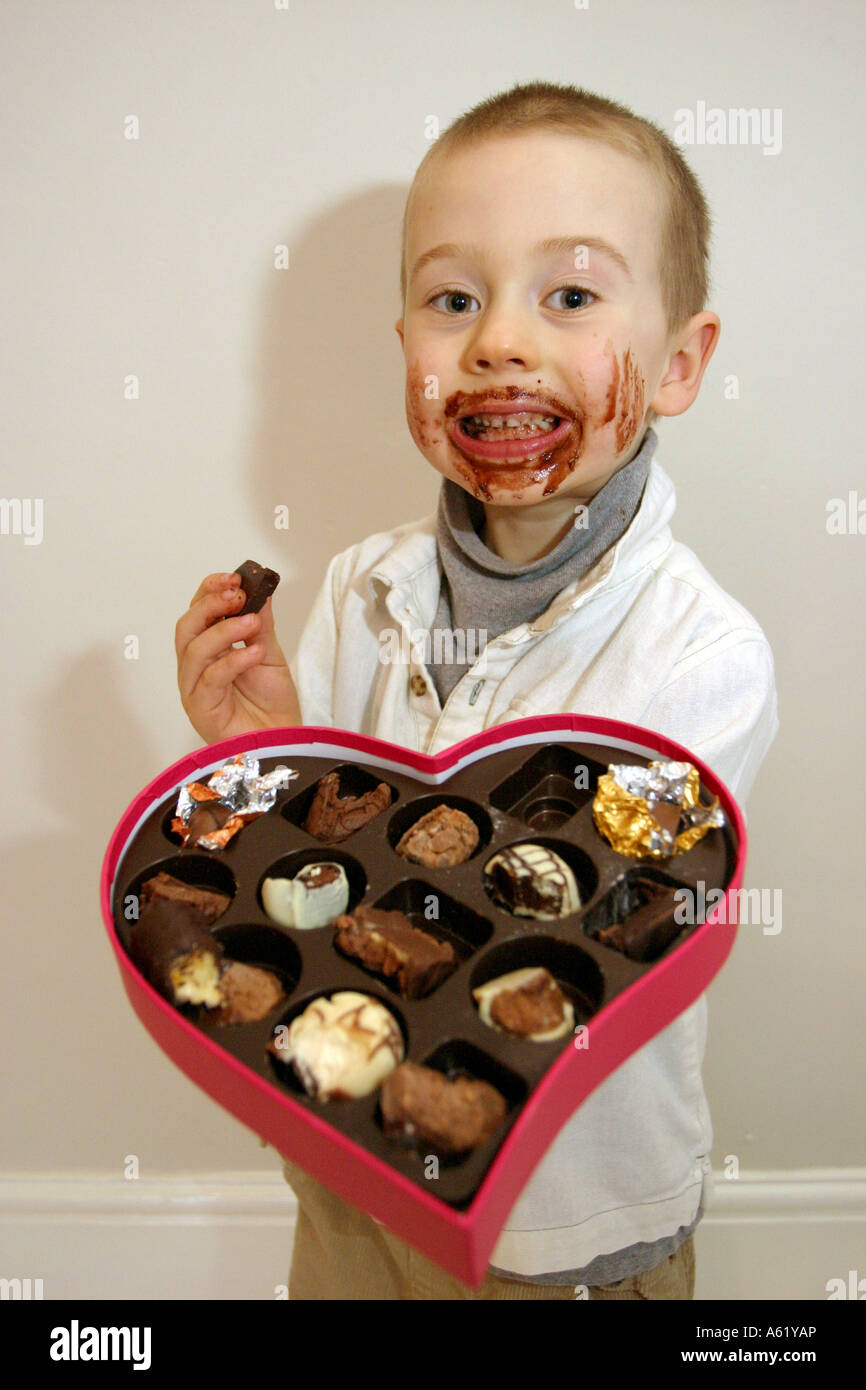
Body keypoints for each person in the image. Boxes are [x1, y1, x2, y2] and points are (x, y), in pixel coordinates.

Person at [175, 81, 778, 1299]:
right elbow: (319, 895)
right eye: (453, 299)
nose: (499, 339)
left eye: (567, 294)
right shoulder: (357, 591)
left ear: (674, 364)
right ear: (403, 342)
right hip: (355, 1174)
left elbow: (558, 948)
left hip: (562, 1229)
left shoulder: (700, 657)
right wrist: (271, 749)